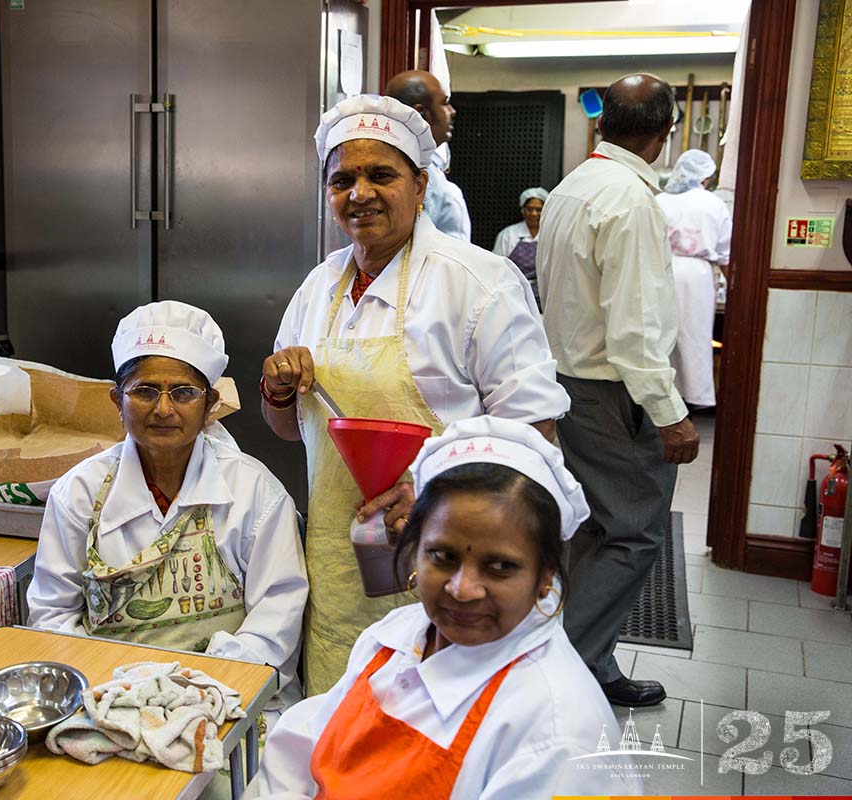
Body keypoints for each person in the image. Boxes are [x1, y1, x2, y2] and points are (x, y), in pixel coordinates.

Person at [262, 94, 569, 694]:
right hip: (340, 558)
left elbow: (535, 441)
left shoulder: (477, 282)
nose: (361, 193)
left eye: (382, 175)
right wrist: (277, 389)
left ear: (421, 184)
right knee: (346, 718)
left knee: (439, 725)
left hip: (454, 555)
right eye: (342, 179)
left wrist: (429, 492)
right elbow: (288, 429)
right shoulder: (318, 287)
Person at [255, 416, 642, 799]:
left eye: (500, 567)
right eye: (442, 556)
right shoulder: (397, 637)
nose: (462, 589)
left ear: (546, 573)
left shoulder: (556, 732)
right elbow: (303, 747)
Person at [27, 300, 308, 700]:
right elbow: (52, 617)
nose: (163, 409)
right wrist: (122, 692)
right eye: (143, 391)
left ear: (210, 404)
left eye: (183, 393)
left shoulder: (254, 493)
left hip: (227, 699)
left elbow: (275, 624)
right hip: (109, 696)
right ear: (116, 402)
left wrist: (189, 693)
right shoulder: (79, 493)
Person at [536, 73, 700, 708]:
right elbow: (635, 331)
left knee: (593, 532)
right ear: (663, 134)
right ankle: (563, 675)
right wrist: (671, 414)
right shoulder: (629, 201)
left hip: (570, 385)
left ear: (601, 124)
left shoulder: (572, 187)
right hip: (613, 393)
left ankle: (591, 662)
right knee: (634, 533)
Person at [656, 149, 731, 408]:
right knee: (694, 336)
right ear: (706, 176)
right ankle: (693, 395)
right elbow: (725, 253)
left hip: (660, 272)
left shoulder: (660, 201)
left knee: (660, 336)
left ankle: (660, 395)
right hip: (697, 276)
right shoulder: (713, 203)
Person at [385, 70, 471, 241]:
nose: (452, 111)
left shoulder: (428, 165)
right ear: (421, 114)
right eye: (445, 103)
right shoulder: (419, 177)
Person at [492, 187, 547, 304]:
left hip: (544, 297)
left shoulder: (550, 235)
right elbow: (496, 267)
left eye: (538, 210)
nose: (534, 214)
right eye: (530, 209)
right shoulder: (508, 234)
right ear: (523, 210)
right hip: (514, 294)